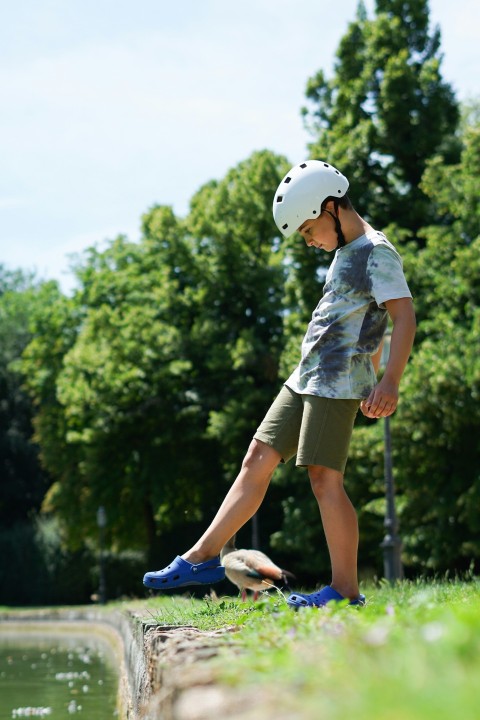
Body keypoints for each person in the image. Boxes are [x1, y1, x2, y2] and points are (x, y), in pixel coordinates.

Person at [143, 159, 416, 607]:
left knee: (324, 478)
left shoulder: (375, 251)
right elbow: (364, 319)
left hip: (336, 381)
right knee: (257, 457)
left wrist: (389, 381)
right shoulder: (345, 252)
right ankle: (202, 556)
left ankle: (345, 591)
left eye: (309, 230)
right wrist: (374, 360)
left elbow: (403, 315)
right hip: (306, 375)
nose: (309, 242)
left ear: (331, 208)